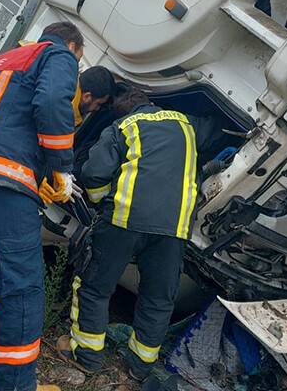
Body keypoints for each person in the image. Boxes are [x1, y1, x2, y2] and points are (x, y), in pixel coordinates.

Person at [0, 21, 86, 391]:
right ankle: (15, 384)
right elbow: (53, 101)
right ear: (74, 47)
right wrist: (61, 167)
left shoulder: (0, 59)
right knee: (21, 289)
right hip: (6, 178)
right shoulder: (57, 55)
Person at [65, 85, 200, 381]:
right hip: (174, 229)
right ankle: (140, 367)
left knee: (94, 285)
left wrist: (99, 202)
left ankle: (87, 356)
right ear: (149, 102)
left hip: (124, 221)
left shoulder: (122, 126)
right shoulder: (186, 126)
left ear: (121, 111)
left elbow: (94, 174)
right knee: (158, 298)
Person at [0, 66, 116, 288]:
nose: (96, 110)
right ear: (88, 96)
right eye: (98, 104)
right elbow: (26, 138)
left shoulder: (65, 89)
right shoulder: (62, 104)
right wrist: (39, 180)